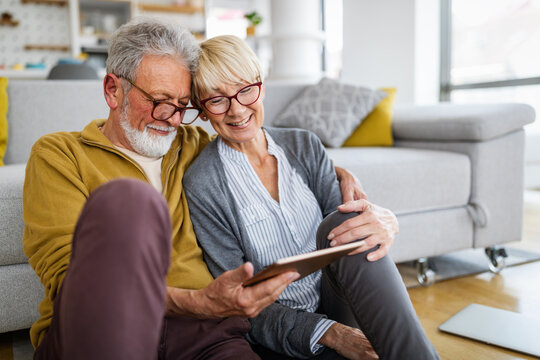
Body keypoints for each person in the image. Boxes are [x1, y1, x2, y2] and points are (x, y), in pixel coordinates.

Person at [22, 18, 367, 360]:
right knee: (128, 199)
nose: (171, 119)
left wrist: (336, 173)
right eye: (160, 101)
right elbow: (71, 281)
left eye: (182, 105)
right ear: (113, 90)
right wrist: (198, 302)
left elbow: (253, 145)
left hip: (204, 335)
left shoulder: (191, 143)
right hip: (105, 325)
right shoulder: (60, 155)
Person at [184, 35, 440, 360]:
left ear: (261, 86)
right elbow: (239, 302)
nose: (237, 109)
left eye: (246, 90)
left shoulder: (304, 145)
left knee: (347, 222)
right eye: (217, 100)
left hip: (341, 299)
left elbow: (351, 246)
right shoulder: (203, 183)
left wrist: (385, 221)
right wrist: (330, 333)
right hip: (286, 330)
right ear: (202, 110)